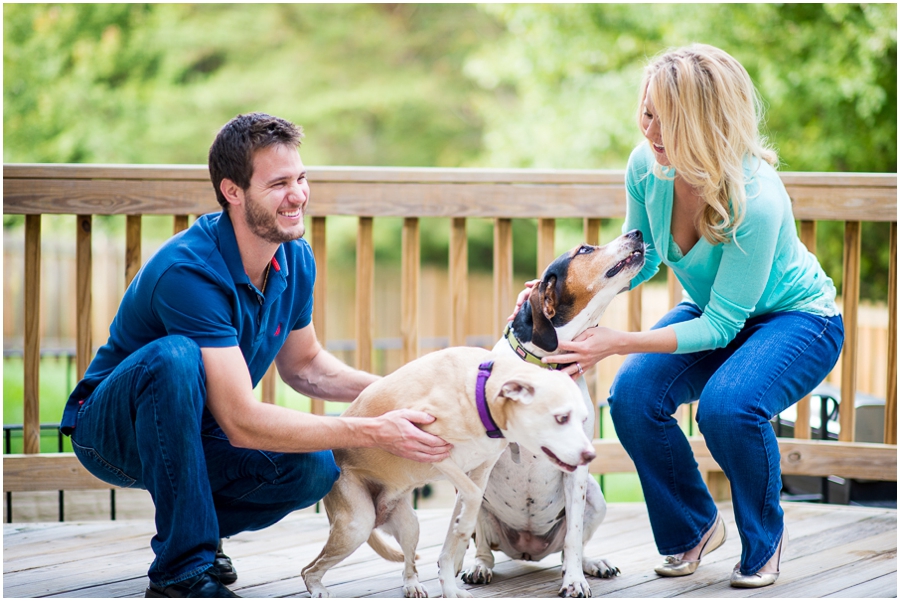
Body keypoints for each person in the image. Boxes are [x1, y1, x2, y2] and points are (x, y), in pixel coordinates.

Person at [60, 113, 453, 598]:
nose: (298, 194)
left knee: (317, 468)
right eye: (279, 183)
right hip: (113, 434)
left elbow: (306, 367)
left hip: (201, 435)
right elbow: (242, 421)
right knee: (176, 357)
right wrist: (373, 429)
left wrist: (402, 394)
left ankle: (196, 534)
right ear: (233, 191)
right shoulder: (188, 272)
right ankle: (182, 571)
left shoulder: (292, 256)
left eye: (302, 178)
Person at [517, 44, 844, 587]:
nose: (652, 131)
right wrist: (568, 296)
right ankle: (693, 528)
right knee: (633, 397)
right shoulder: (648, 168)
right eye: (647, 112)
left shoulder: (755, 199)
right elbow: (638, 261)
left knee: (728, 407)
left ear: (712, 124)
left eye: (671, 120)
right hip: (716, 308)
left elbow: (721, 328)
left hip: (798, 319)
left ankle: (762, 541)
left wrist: (617, 340)